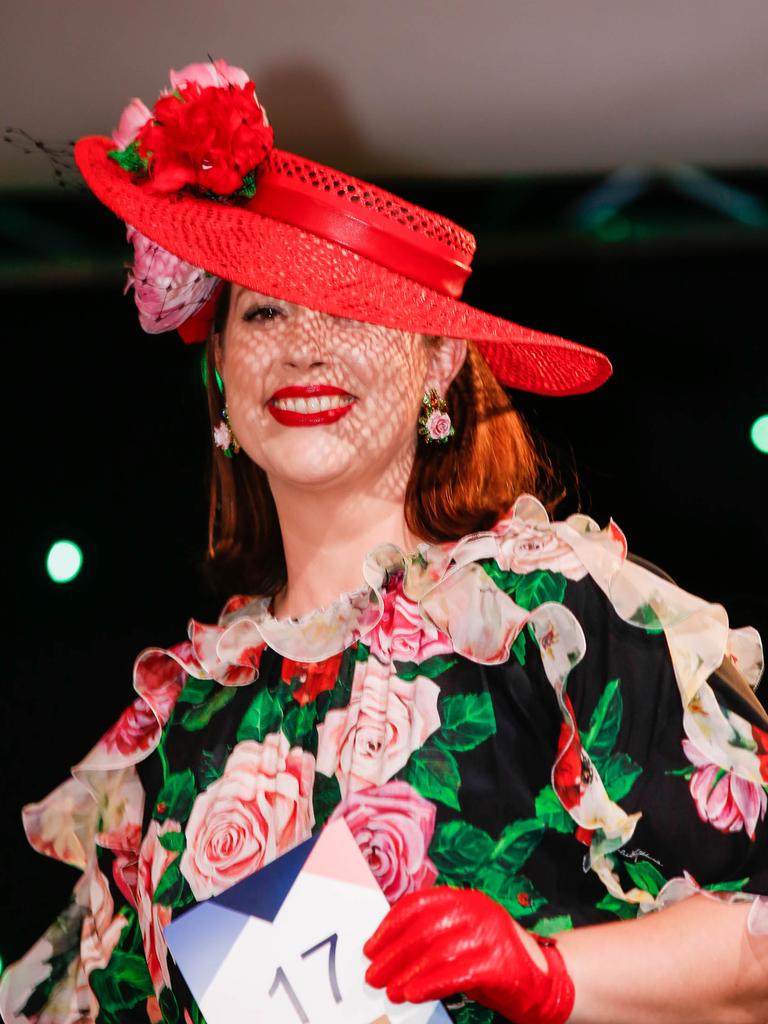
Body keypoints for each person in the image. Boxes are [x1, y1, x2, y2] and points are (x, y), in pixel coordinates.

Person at [1, 58, 767, 1024]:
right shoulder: (182, 719)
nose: (303, 349)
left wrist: (547, 972)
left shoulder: (547, 614)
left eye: (351, 310)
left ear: (441, 360)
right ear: (221, 375)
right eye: (265, 310)